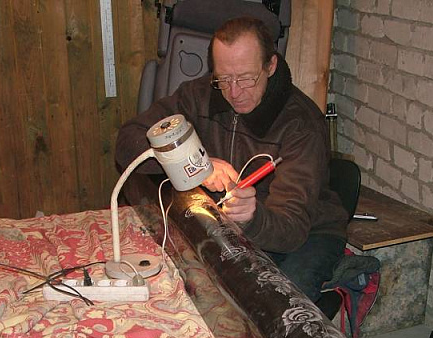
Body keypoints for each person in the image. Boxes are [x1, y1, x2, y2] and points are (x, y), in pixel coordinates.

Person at [115, 16, 349, 304]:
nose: (234, 93)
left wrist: (252, 218)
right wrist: (195, 163)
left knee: (277, 305)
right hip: (226, 221)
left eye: (246, 78)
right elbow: (128, 141)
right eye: (223, 79)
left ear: (271, 66)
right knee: (179, 285)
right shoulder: (198, 95)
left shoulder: (301, 124)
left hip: (304, 232)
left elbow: (291, 229)